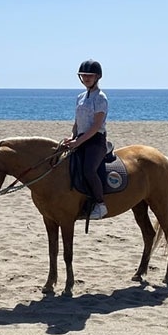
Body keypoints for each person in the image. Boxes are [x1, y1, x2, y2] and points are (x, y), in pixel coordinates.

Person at [62, 59, 108, 220]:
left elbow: (96, 126)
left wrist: (78, 142)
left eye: (90, 76)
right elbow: (77, 122)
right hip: (81, 138)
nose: (86, 78)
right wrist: (72, 137)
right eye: (84, 76)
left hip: (96, 141)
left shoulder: (101, 98)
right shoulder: (80, 97)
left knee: (89, 170)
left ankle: (100, 204)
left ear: (97, 77)